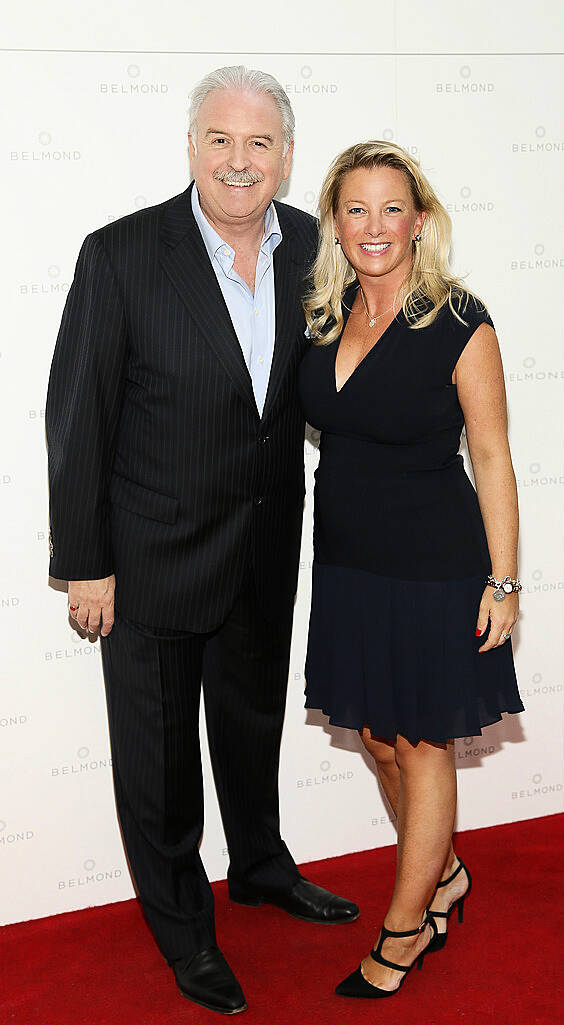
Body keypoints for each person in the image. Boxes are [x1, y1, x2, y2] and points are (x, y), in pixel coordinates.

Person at [45, 66, 358, 1017]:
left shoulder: (316, 246)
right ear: (190, 146)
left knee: (251, 729)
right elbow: (78, 418)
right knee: (161, 762)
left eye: (259, 144)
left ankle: (259, 865)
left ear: (286, 157)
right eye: (219, 139)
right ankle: (182, 927)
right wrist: (84, 560)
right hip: (148, 561)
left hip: (264, 551)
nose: (238, 160)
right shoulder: (122, 254)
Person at [298, 141, 524, 999]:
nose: (374, 227)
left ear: (419, 220)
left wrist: (502, 581)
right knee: (379, 741)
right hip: (349, 565)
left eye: (391, 208)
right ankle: (446, 872)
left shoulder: (460, 319)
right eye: (355, 209)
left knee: (423, 745)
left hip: (435, 567)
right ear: (335, 223)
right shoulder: (321, 312)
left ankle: (405, 927)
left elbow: (493, 456)